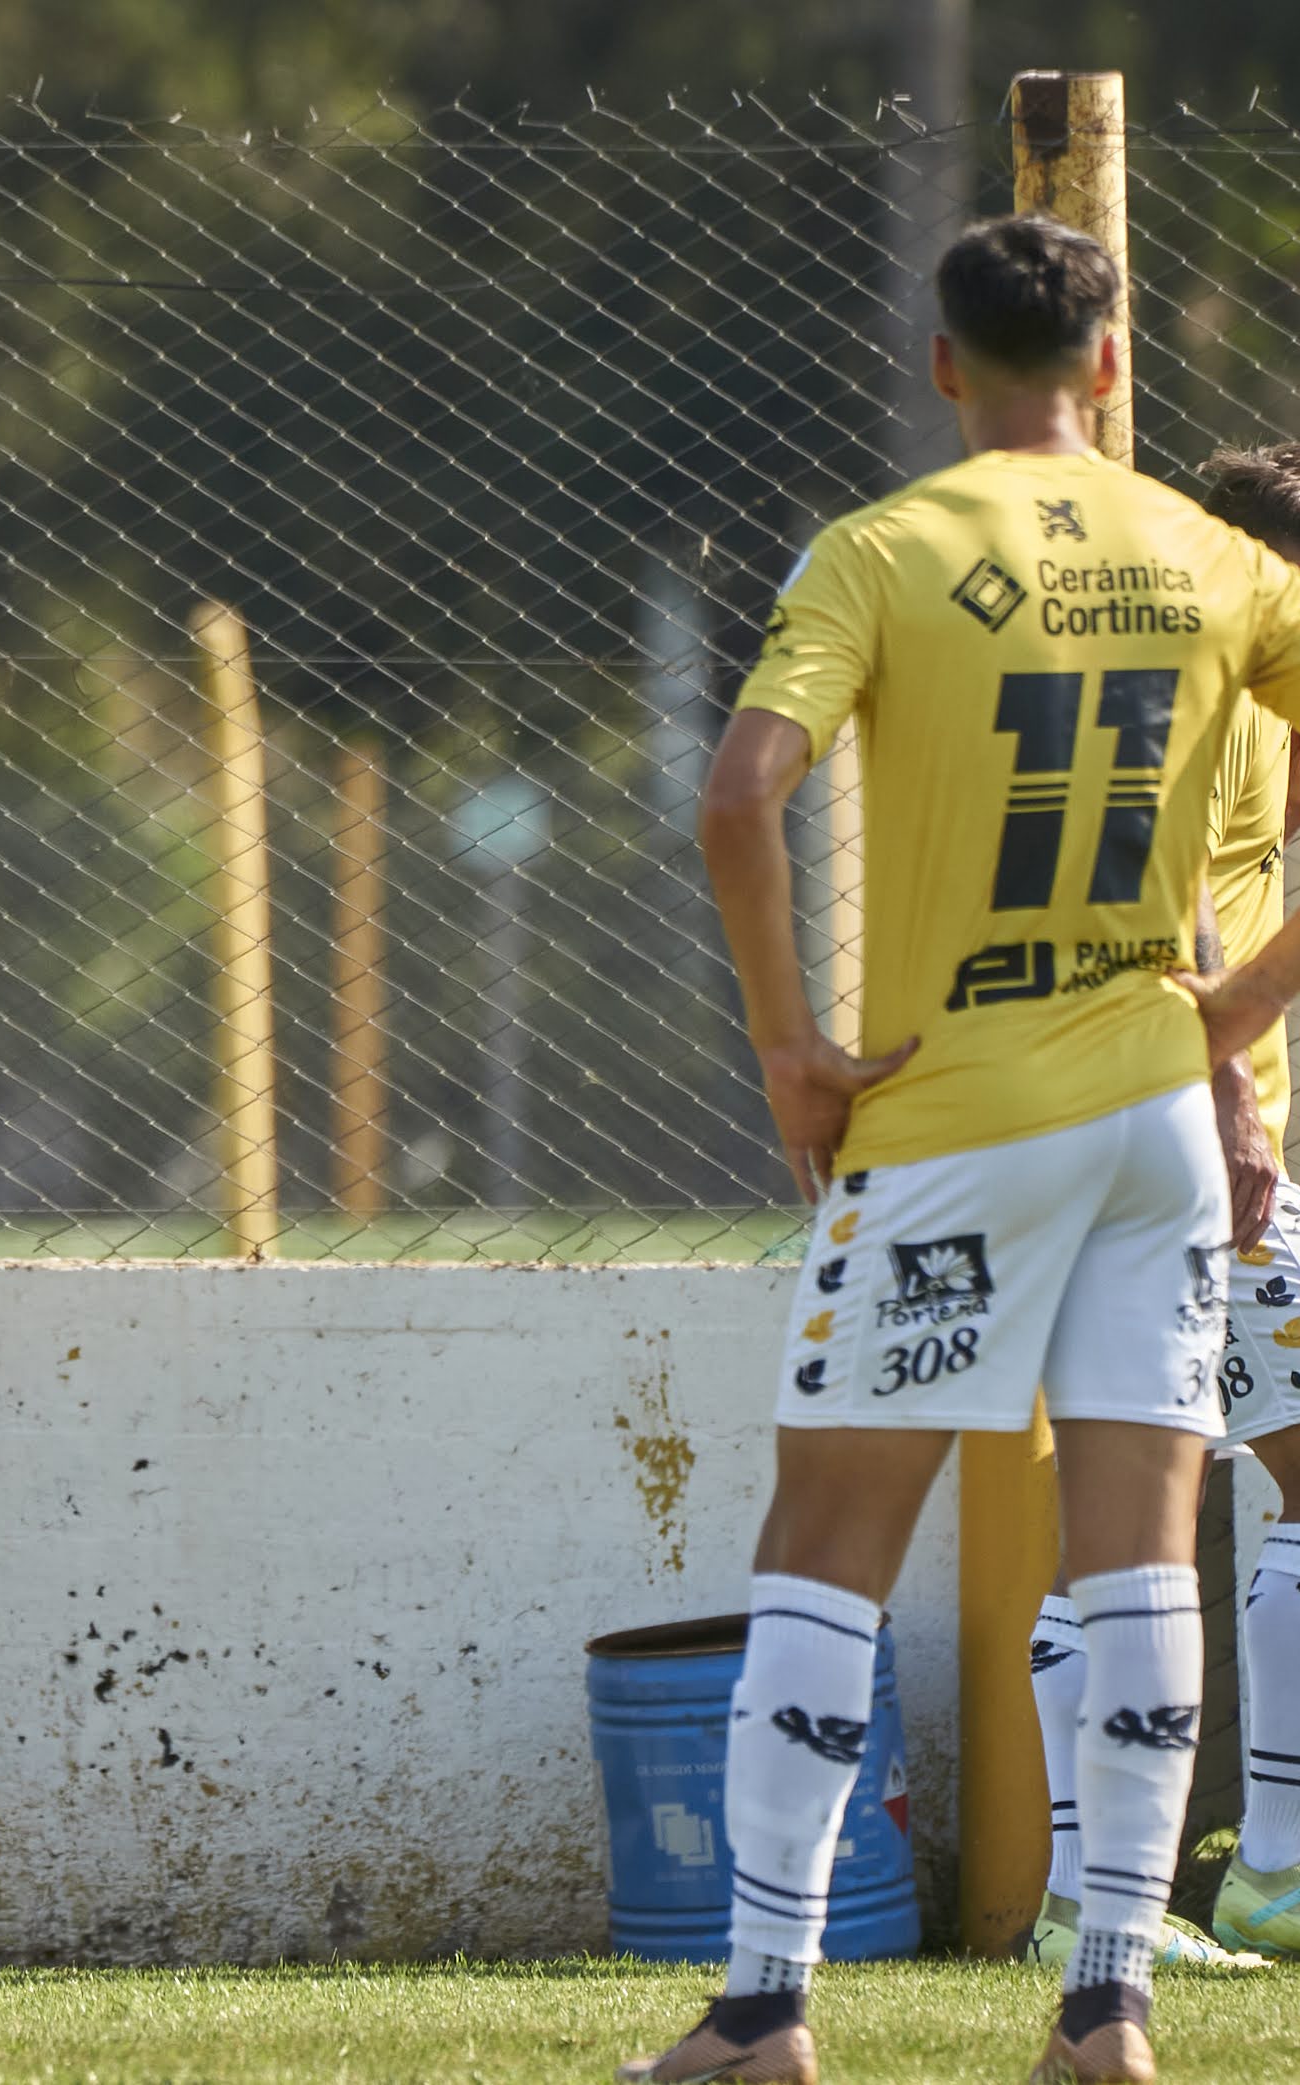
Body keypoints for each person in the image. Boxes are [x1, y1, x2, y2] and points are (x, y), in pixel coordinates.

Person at [625, 216, 1300, 2085]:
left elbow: (739, 792)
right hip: (1159, 1124)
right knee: (1139, 1552)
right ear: (1109, 364)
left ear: (942, 365)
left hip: (948, 1115)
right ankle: (1107, 2012)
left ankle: (759, 2014)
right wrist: (1231, 1022)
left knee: (827, 1537)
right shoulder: (1213, 554)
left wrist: (790, 1050)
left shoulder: (881, 550)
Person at [1026, 443, 1300, 1974]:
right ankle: (1245, 1869)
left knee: (1129, 1513)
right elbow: (1166, 902)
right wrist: (1232, 1098)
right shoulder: (1209, 687)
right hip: (1180, 1139)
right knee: (1138, 1518)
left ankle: (1135, 1884)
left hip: (1120, 1128)